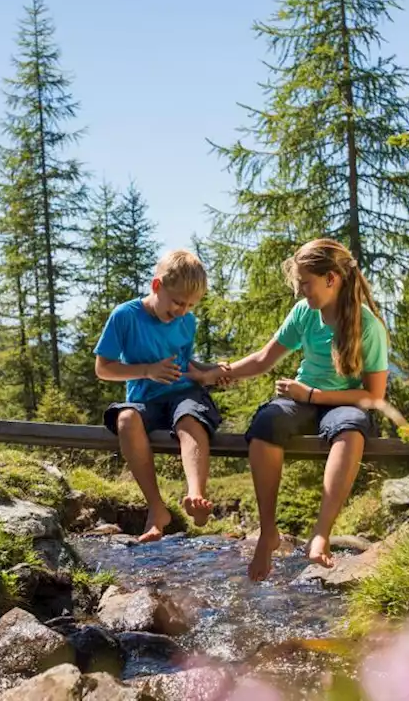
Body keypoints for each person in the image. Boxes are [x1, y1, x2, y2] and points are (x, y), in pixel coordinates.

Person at [223, 239, 389, 581]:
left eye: (305, 284)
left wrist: (312, 395)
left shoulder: (367, 325)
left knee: (351, 429)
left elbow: (373, 396)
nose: (301, 292)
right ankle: (268, 531)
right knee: (266, 423)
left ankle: (321, 534)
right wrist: (219, 372)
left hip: (343, 403)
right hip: (302, 398)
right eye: (298, 284)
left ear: (332, 279)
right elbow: (263, 359)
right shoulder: (304, 313)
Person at [94, 249, 230, 542]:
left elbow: (185, 363)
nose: (182, 311)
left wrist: (213, 370)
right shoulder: (125, 316)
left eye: (190, 306)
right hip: (145, 398)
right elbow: (103, 368)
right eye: (178, 303)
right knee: (126, 419)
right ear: (157, 286)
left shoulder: (187, 322)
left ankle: (195, 494)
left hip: (183, 393)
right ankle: (157, 509)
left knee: (189, 418)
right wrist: (147, 371)